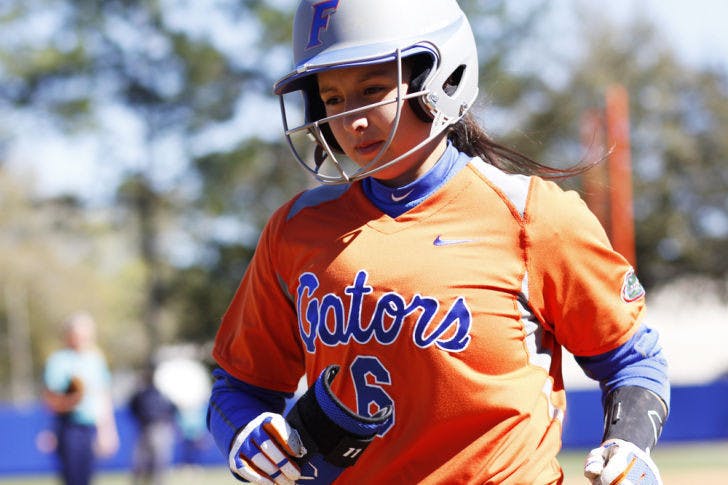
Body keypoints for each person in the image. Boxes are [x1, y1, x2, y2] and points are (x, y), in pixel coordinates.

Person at [207, 1, 670, 483]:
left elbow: (633, 359)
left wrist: (629, 443)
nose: (351, 120)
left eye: (371, 90)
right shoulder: (296, 230)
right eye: (333, 98)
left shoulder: (531, 215)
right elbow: (238, 387)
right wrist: (247, 435)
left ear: (441, 78)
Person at [43, 311, 119, 485]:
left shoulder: (95, 360)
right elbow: (51, 399)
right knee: (72, 477)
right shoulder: (58, 361)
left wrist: (107, 430)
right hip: (69, 426)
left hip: (90, 427)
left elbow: (103, 396)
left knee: (87, 477)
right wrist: (71, 400)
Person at [129, 365, 178, 485]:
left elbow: (173, 409)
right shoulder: (141, 394)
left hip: (159, 428)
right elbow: (133, 407)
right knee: (141, 462)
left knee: (159, 462)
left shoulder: (161, 394)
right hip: (146, 428)